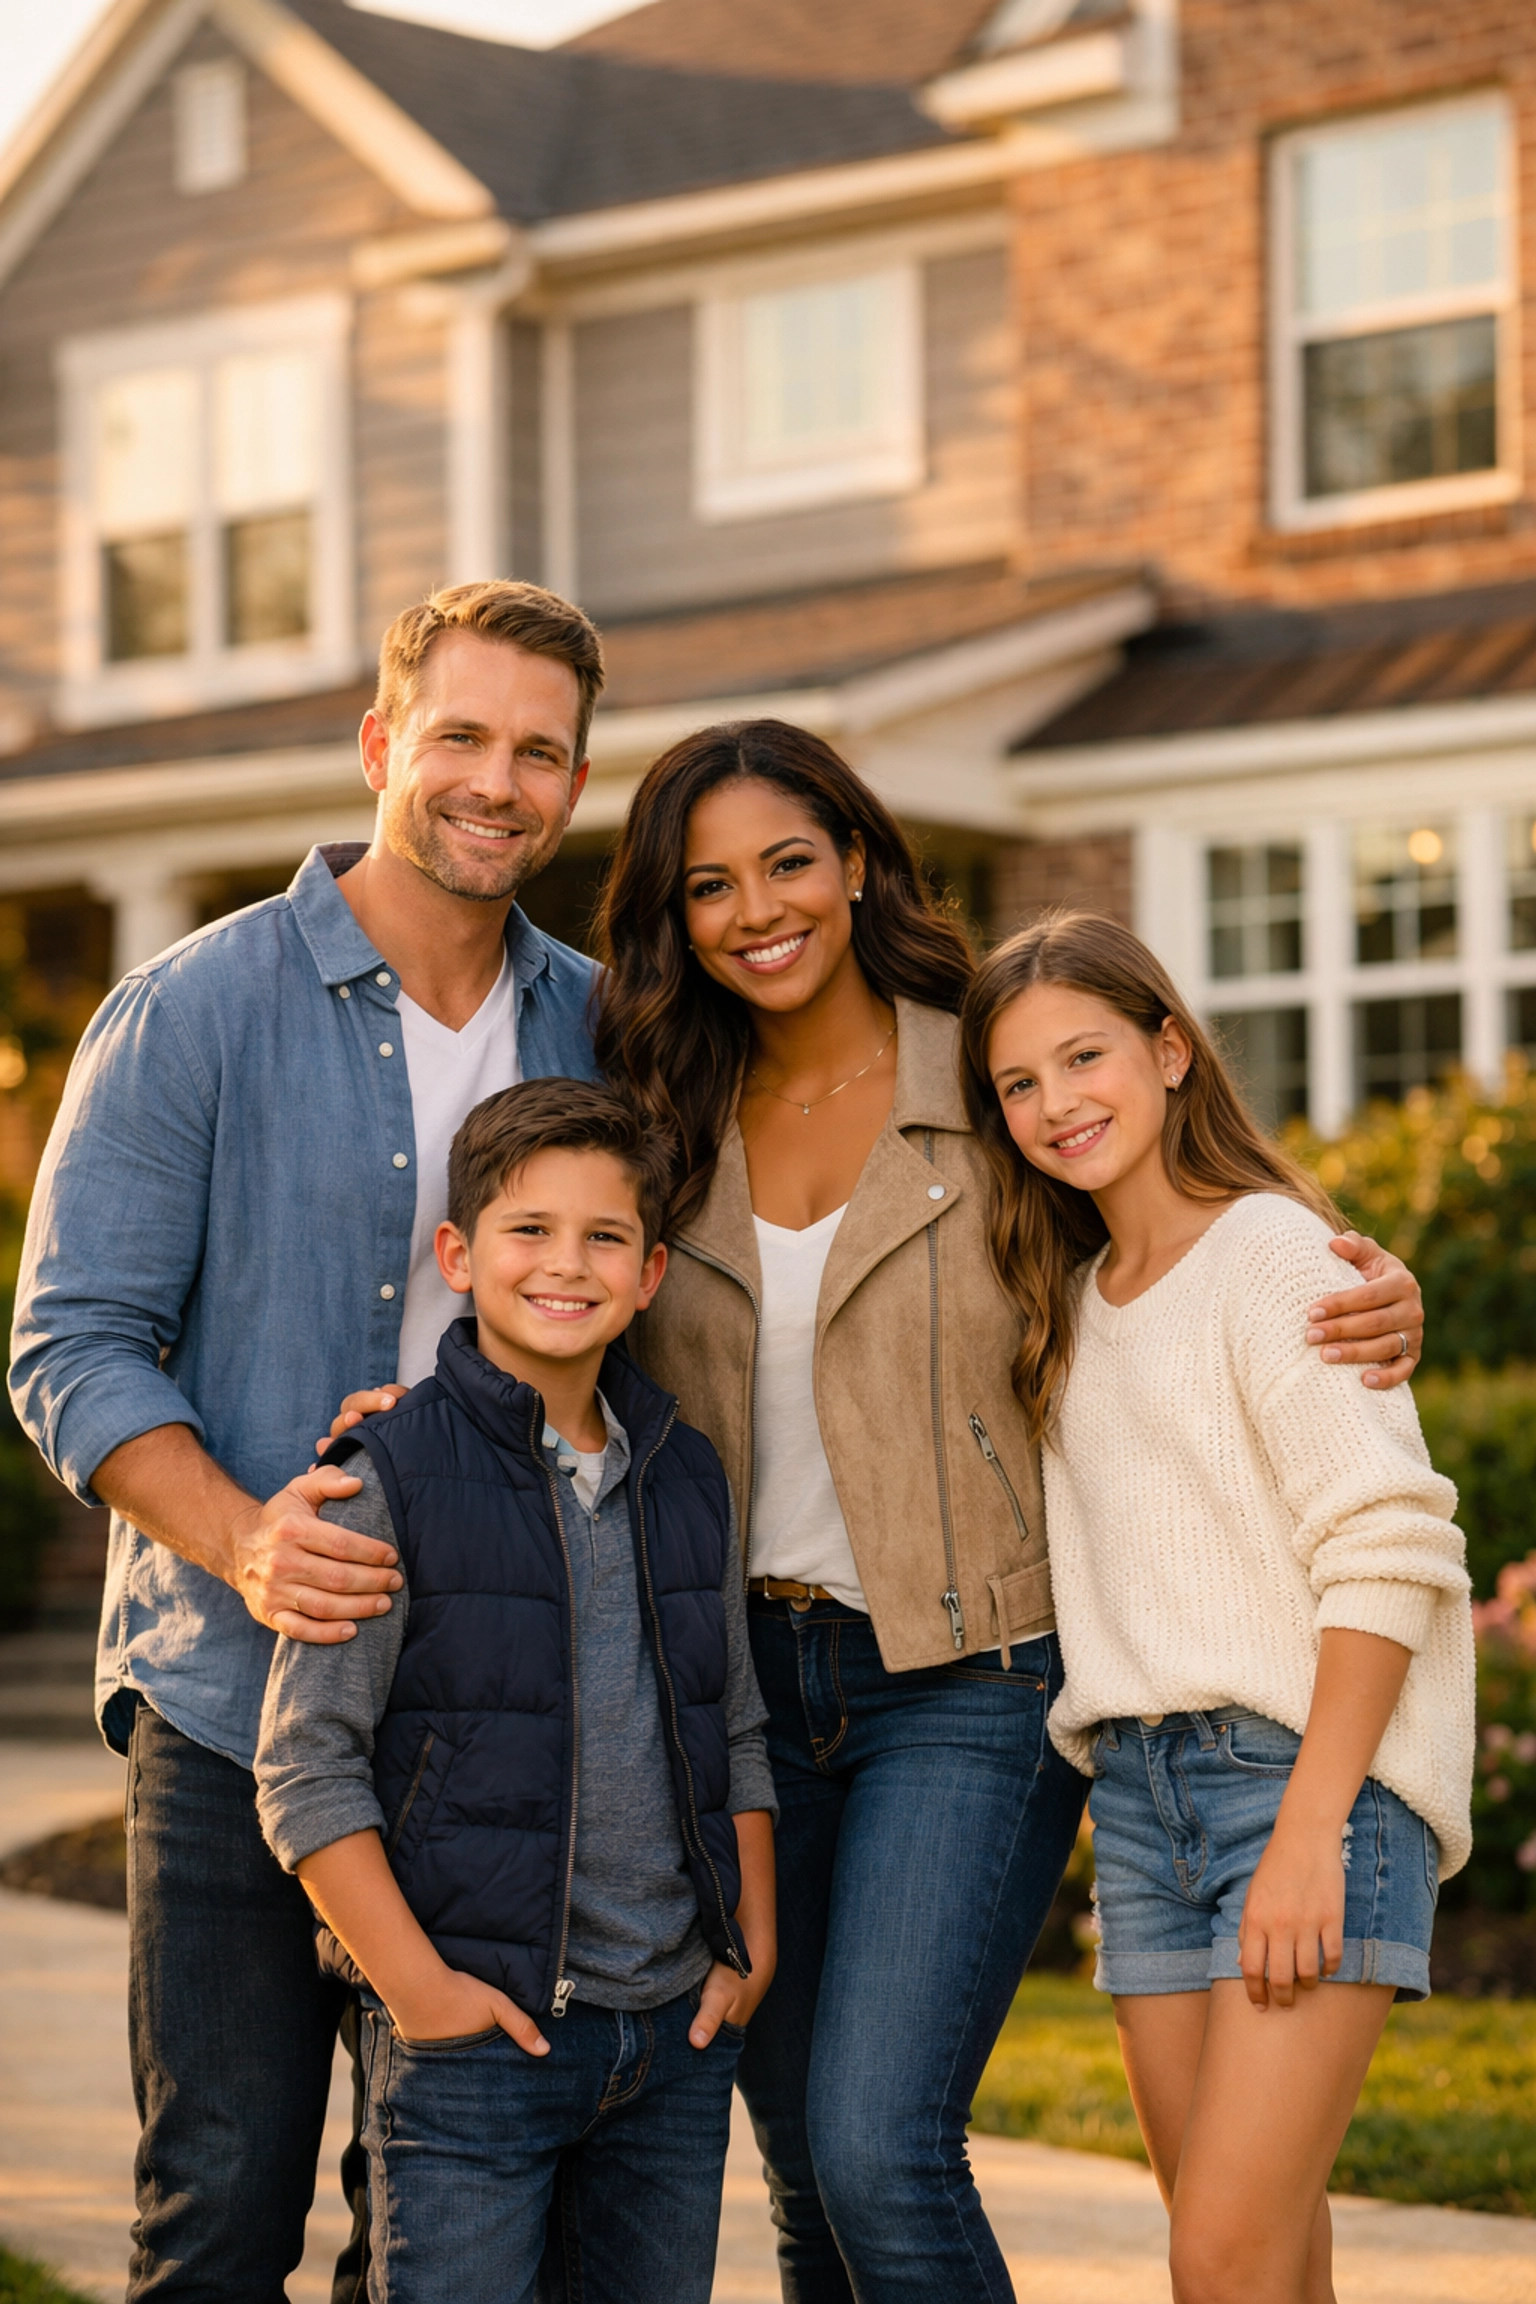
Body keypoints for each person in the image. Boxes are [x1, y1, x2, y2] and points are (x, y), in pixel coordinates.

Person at [7, 580, 608, 2301]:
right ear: (380, 744)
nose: (497, 781)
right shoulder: (195, 1007)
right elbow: (70, 1344)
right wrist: (248, 1536)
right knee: (218, 2215)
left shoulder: (601, 1026)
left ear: (577, 783)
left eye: (541, 752)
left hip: (497, 1713)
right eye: (461, 736)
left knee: (442, 2232)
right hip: (230, 1690)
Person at [957, 910, 1474, 2304]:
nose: (1058, 1104)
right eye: (1019, 1082)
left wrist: (1312, 1830)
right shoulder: (1066, 1302)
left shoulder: (1273, 1255)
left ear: (1172, 1051)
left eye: (1086, 1057)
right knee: (1255, 2251)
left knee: (1223, 2257)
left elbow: (1389, 1548)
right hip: (1143, 1807)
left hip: (1303, 1787)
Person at [254, 1079, 776, 2304]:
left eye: (605, 1237)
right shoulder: (387, 1475)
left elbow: (738, 1731)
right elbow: (307, 1765)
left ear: (650, 1275)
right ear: (457, 1255)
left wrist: (751, 1951)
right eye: (529, 1229)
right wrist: (420, 1993)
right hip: (474, 2045)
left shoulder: (687, 1474)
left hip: (672, 2039)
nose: (567, 1264)